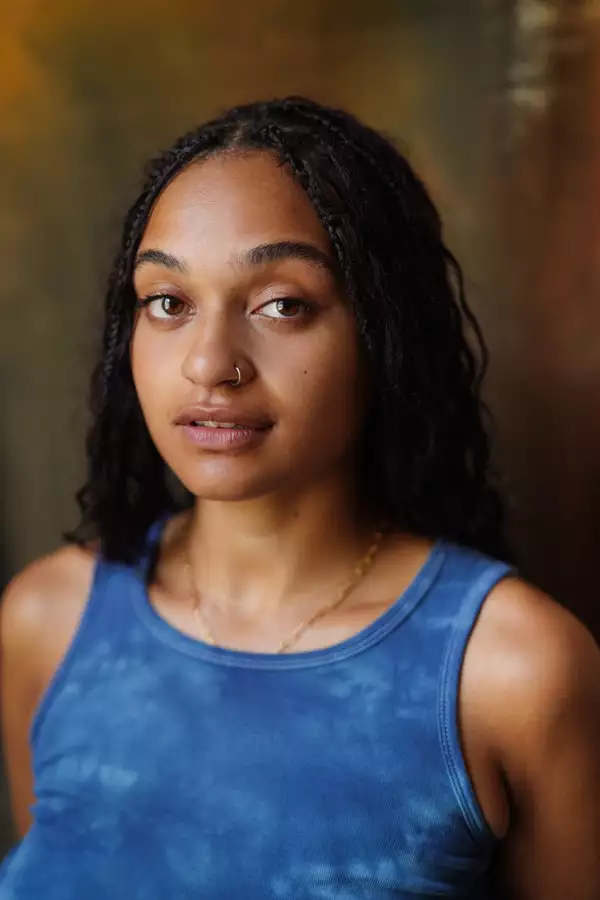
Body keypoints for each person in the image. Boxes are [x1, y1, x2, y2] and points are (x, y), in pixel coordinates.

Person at [1, 97, 599, 900]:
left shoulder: (514, 671)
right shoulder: (48, 620)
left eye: (282, 304)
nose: (210, 363)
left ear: (385, 332)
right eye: (168, 303)